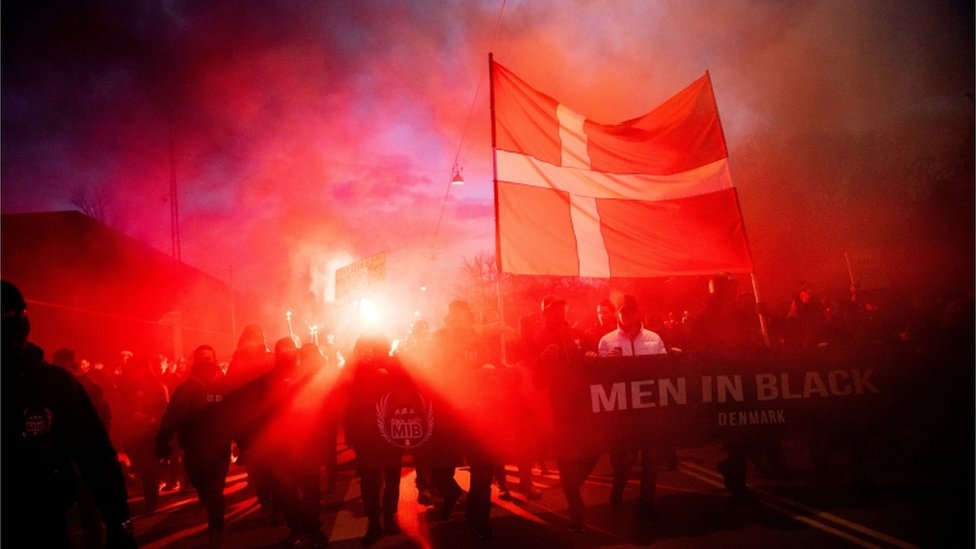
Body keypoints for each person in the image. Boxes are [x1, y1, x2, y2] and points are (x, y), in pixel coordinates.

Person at [1, 280, 136, 549]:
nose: (12, 323)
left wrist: (122, 527)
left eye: (17, 314)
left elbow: (97, 455)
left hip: (41, 527)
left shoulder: (54, 383)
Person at [597, 294, 668, 520]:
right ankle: (618, 489)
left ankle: (647, 503)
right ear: (617, 313)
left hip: (649, 410)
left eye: (631, 310)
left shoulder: (654, 339)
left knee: (651, 458)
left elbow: (665, 370)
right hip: (623, 413)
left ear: (638, 312)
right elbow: (600, 378)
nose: (627, 315)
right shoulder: (606, 341)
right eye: (623, 311)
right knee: (625, 461)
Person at [156, 345, 233, 548]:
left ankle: (216, 530)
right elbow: (171, 417)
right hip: (194, 449)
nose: (205, 362)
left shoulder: (222, 386)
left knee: (215, 491)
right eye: (201, 359)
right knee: (202, 486)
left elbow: (235, 411)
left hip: (219, 447)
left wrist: (242, 442)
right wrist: (162, 441)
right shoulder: (185, 389)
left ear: (214, 360)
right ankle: (213, 516)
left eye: (209, 358)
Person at [532, 294, 596, 533]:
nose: (559, 313)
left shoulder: (579, 334)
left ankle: (573, 487)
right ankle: (575, 506)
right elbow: (536, 382)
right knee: (567, 459)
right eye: (552, 310)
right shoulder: (539, 339)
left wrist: (591, 357)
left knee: (595, 449)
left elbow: (594, 365)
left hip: (585, 407)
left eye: (561, 308)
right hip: (558, 411)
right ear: (545, 314)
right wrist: (541, 360)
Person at [344, 333, 409, 546]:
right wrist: (351, 434)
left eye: (372, 348)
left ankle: (389, 517)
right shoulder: (354, 371)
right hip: (366, 433)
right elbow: (347, 403)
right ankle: (374, 521)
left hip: (391, 431)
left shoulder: (394, 367)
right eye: (364, 348)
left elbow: (406, 394)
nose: (367, 352)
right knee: (370, 480)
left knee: (391, 477)